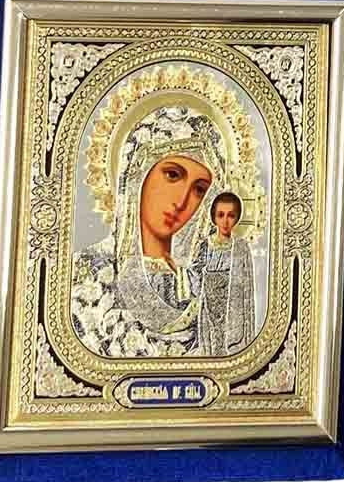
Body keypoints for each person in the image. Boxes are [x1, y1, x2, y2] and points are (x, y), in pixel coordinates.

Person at [70, 104, 227, 358]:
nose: (182, 201)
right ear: (137, 175)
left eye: (199, 189)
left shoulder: (198, 283)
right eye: (173, 175)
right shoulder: (86, 275)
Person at [193, 190, 258, 356]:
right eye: (221, 215)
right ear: (213, 217)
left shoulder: (241, 248)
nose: (225, 221)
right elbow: (196, 279)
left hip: (232, 311)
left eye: (231, 215)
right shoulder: (205, 246)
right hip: (209, 310)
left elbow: (246, 289)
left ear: (237, 218)